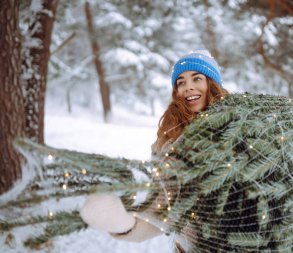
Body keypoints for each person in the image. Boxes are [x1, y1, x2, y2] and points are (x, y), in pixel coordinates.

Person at [80, 49, 229, 253]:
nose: (188, 87)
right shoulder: (170, 137)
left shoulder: (240, 125)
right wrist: (124, 224)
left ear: (212, 83)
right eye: (181, 82)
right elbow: (163, 204)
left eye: (197, 78)